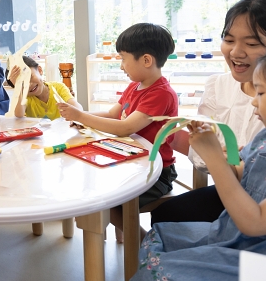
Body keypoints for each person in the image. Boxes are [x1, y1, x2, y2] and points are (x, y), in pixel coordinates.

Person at [132, 44, 266, 281]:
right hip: (237, 236)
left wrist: (214, 158)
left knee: (161, 270)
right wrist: (220, 157)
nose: (253, 102)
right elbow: (243, 174)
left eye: (261, 93)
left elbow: (255, 223)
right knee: (162, 236)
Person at [152, 0, 266, 224]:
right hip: (234, 189)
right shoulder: (218, 86)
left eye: (252, 44)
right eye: (229, 40)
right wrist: (219, 156)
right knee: (168, 215)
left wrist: (223, 156)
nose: (235, 52)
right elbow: (203, 156)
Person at [57, 23, 178, 240]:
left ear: (146, 60)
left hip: (156, 172)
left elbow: (125, 127)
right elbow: (113, 114)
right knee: (97, 189)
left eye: (123, 58)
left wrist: (82, 117)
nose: (121, 66)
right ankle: (135, 239)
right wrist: (81, 117)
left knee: (107, 202)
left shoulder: (161, 93)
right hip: (132, 161)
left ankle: (144, 243)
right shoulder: (135, 86)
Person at [7, 55, 81, 119]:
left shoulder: (58, 88)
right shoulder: (25, 98)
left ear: (39, 70)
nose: (29, 85)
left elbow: (78, 107)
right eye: (22, 84)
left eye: (29, 77)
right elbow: (19, 115)